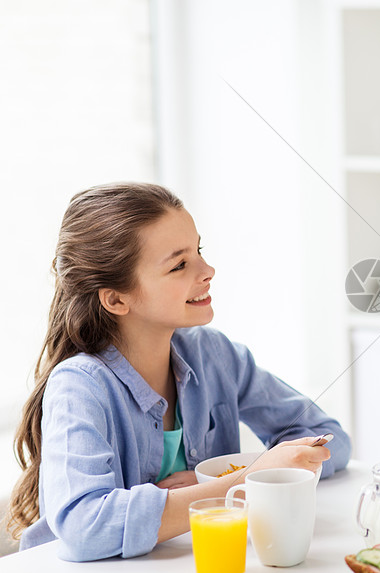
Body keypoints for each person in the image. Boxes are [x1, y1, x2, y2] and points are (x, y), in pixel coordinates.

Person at [7, 183, 352, 560]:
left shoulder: (213, 354)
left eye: (199, 251)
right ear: (116, 299)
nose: (208, 271)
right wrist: (238, 484)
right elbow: (84, 527)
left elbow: (330, 438)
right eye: (179, 265)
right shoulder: (80, 386)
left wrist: (252, 469)